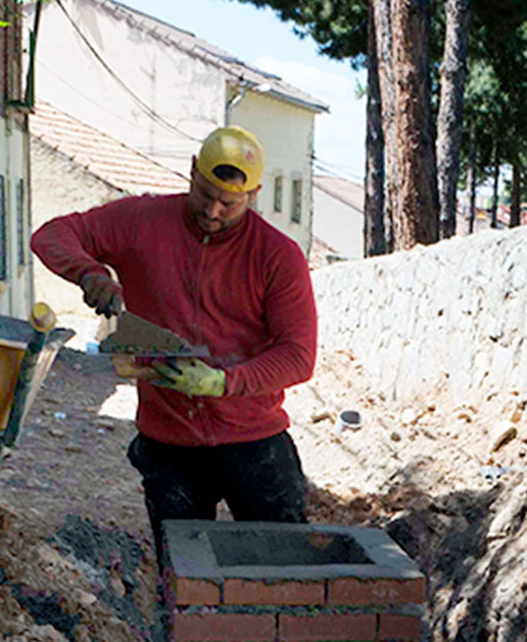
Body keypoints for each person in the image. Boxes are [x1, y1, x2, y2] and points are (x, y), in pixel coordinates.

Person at [30, 125, 317, 553]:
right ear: (191, 174)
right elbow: (50, 236)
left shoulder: (277, 256)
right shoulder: (141, 222)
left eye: (230, 203)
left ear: (253, 196)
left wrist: (223, 382)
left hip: (255, 440)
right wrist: (89, 272)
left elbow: (298, 356)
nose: (214, 211)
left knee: (283, 565)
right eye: (206, 195)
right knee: (182, 573)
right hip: (169, 441)